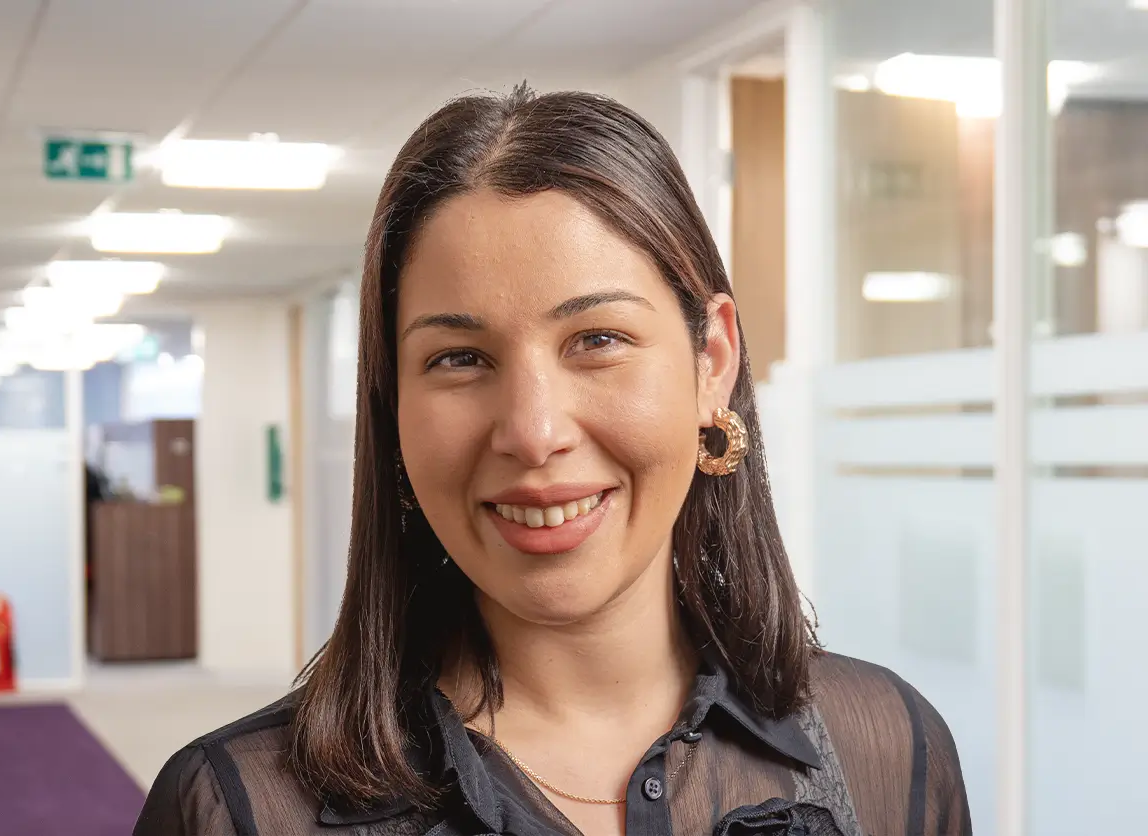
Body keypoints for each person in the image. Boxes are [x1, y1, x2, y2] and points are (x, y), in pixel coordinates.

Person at [134, 84, 971, 836]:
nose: (532, 432)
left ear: (711, 362)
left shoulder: (888, 749)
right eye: (459, 358)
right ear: (393, 405)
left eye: (598, 339)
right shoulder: (236, 809)